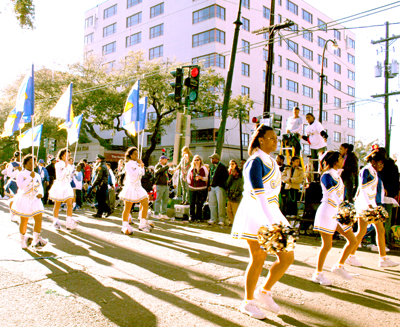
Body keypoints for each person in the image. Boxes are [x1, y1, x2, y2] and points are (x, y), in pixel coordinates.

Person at [231, 124, 294, 319]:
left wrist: (276, 216)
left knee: (288, 256)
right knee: (258, 256)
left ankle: (264, 291)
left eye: (276, 138)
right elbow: (258, 194)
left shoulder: (272, 161)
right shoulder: (255, 161)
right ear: (261, 139)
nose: (276, 141)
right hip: (256, 212)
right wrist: (272, 220)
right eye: (272, 138)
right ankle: (248, 302)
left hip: (272, 212)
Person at [311, 151, 358, 285]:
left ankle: (339, 266)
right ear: (333, 161)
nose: (342, 159)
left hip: (338, 212)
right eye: (340, 158)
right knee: (327, 245)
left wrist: (343, 209)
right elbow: (332, 194)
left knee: (353, 240)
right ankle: (318, 274)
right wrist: (344, 208)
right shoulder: (326, 175)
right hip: (328, 210)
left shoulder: (337, 175)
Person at [346, 149, 399, 268]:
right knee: (374, 230)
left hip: (369, 205)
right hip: (367, 206)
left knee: (366, 231)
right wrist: (370, 206)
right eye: (381, 163)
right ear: (374, 162)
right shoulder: (366, 170)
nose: (382, 166)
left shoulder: (372, 171)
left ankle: (352, 256)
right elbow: (363, 189)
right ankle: (380, 258)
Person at [11, 155, 47, 249]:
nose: (31, 165)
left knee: (38, 218)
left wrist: (40, 194)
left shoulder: (37, 175)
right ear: (25, 164)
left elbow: (40, 187)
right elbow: (21, 187)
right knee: (24, 220)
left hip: (35, 199)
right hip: (25, 198)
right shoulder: (21, 174)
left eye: (33, 163)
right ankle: (22, 240)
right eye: (29, 163)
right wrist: (30, 178)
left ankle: (36, 240)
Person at [119, 147, 152, 234]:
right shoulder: (128, 164)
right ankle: (125, 225)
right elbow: (134, 174)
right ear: (130, 155)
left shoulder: (137, 164)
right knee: (127, 208)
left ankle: (142, 224)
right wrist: (140, 166)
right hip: (131, 187)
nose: (136, 156)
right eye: (134, 154)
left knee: (145, 203)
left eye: (137, 154)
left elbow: (142, 174)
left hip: (139, 187)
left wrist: (141, 165)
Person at [48, 149, 77, 230]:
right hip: (60, 185)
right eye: (66, 155)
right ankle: (55, 221)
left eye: (69, 155)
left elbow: (70, 177)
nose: (68, 157)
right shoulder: (58, 164)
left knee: (70, 204)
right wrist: (65, 167)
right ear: (61, 155)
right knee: (57, 204)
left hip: (67, 185)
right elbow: (60, 177)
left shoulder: (70, 165)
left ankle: (68, 222)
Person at [378, 147, 400, 244]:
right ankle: (386, 240)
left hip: (382, 195)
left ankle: (382, 241)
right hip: (391, 195)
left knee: (381, 220)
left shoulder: (383, 167)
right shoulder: (394, 166)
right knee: (387, 219)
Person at [303, 113, 327, 179]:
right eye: (307, 118)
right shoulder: (307, 128)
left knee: (321, 161)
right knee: (314, 162)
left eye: (309, 117)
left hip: (320, 145)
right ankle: (315, 178)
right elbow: (308, 138)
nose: (308, 119)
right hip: (313, 146)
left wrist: (325, 136)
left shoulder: (317, 124)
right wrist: (302, 137)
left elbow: (321, 131)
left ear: (313, 118)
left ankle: (321, 176)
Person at [208, 153, 229, 226]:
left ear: (217, 159)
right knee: (212, 203)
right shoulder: (212, 167)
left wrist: (221, 185)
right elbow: (209, 176)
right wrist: (208, 185)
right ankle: (213, 218)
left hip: (219, 187)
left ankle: (221, 219)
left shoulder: (222, 167)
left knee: (221, 203)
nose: (211, 160)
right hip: (212, 187)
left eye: (213, 158)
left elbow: (225, 177)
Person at [187, 155, 208, 222]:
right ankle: (192, 217)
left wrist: (201, 178)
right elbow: (188, 177)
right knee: (192, 203)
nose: (196, 161)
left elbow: (207, 178)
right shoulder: (191, 168)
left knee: (199, 204)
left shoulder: (204, 168)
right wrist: (190, 182)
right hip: (192, 188)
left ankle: (198, 217)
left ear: (200, 160)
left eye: (198, 160)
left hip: (201, 188)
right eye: (195, 160)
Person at [153, 155, 173, 219]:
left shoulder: (165, 167)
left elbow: (167, 176)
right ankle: (156, 213)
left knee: (165, 200)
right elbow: (158, 171)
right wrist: (167, 166)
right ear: (161, 160)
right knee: (158, 200)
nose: (167, 161)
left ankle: (163, 213)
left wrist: (171, 173)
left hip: (166, 185)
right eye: (165, 159)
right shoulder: (158, 166)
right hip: (160, 184)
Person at [5, 151, 22, 223]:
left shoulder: (22, 164)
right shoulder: (12, 164)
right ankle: (12, 214)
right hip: (14, 183)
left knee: (20, 200)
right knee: (13, 199)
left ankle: (19, 213)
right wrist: (18, 170)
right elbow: (9, 174)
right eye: (19, 156)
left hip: (21, 183)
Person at [225, 159, 244, 226]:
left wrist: (236, 195)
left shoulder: (240, 180)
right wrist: (231, 176)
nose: (232, 172)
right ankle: (232, 221)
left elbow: (241, 189)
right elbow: (227, 184)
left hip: (236, 198)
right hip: (230, 196)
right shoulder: (231, 179)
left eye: (234, 172)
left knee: (235, 211)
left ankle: (236, 223)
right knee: (228, 211)